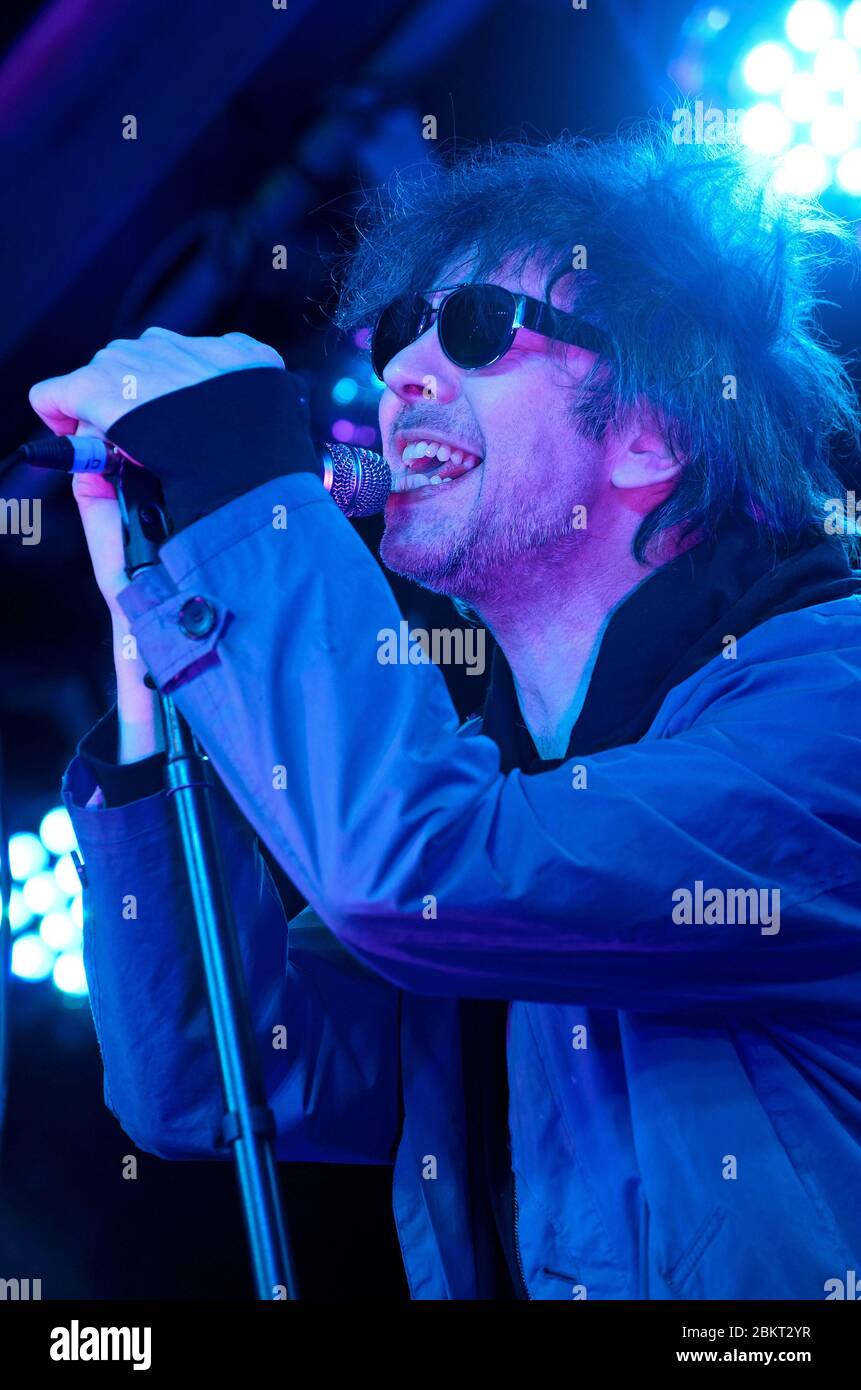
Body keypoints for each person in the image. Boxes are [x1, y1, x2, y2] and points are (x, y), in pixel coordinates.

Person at [34, 128, 861, 1300]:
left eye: (473, 328)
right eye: (394, 337)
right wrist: (149, 636)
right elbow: (214, 1079)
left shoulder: (832, 707)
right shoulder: (502, 796)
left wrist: (241, 481)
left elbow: (421, 870)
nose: (401, 378)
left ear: (652, 434)